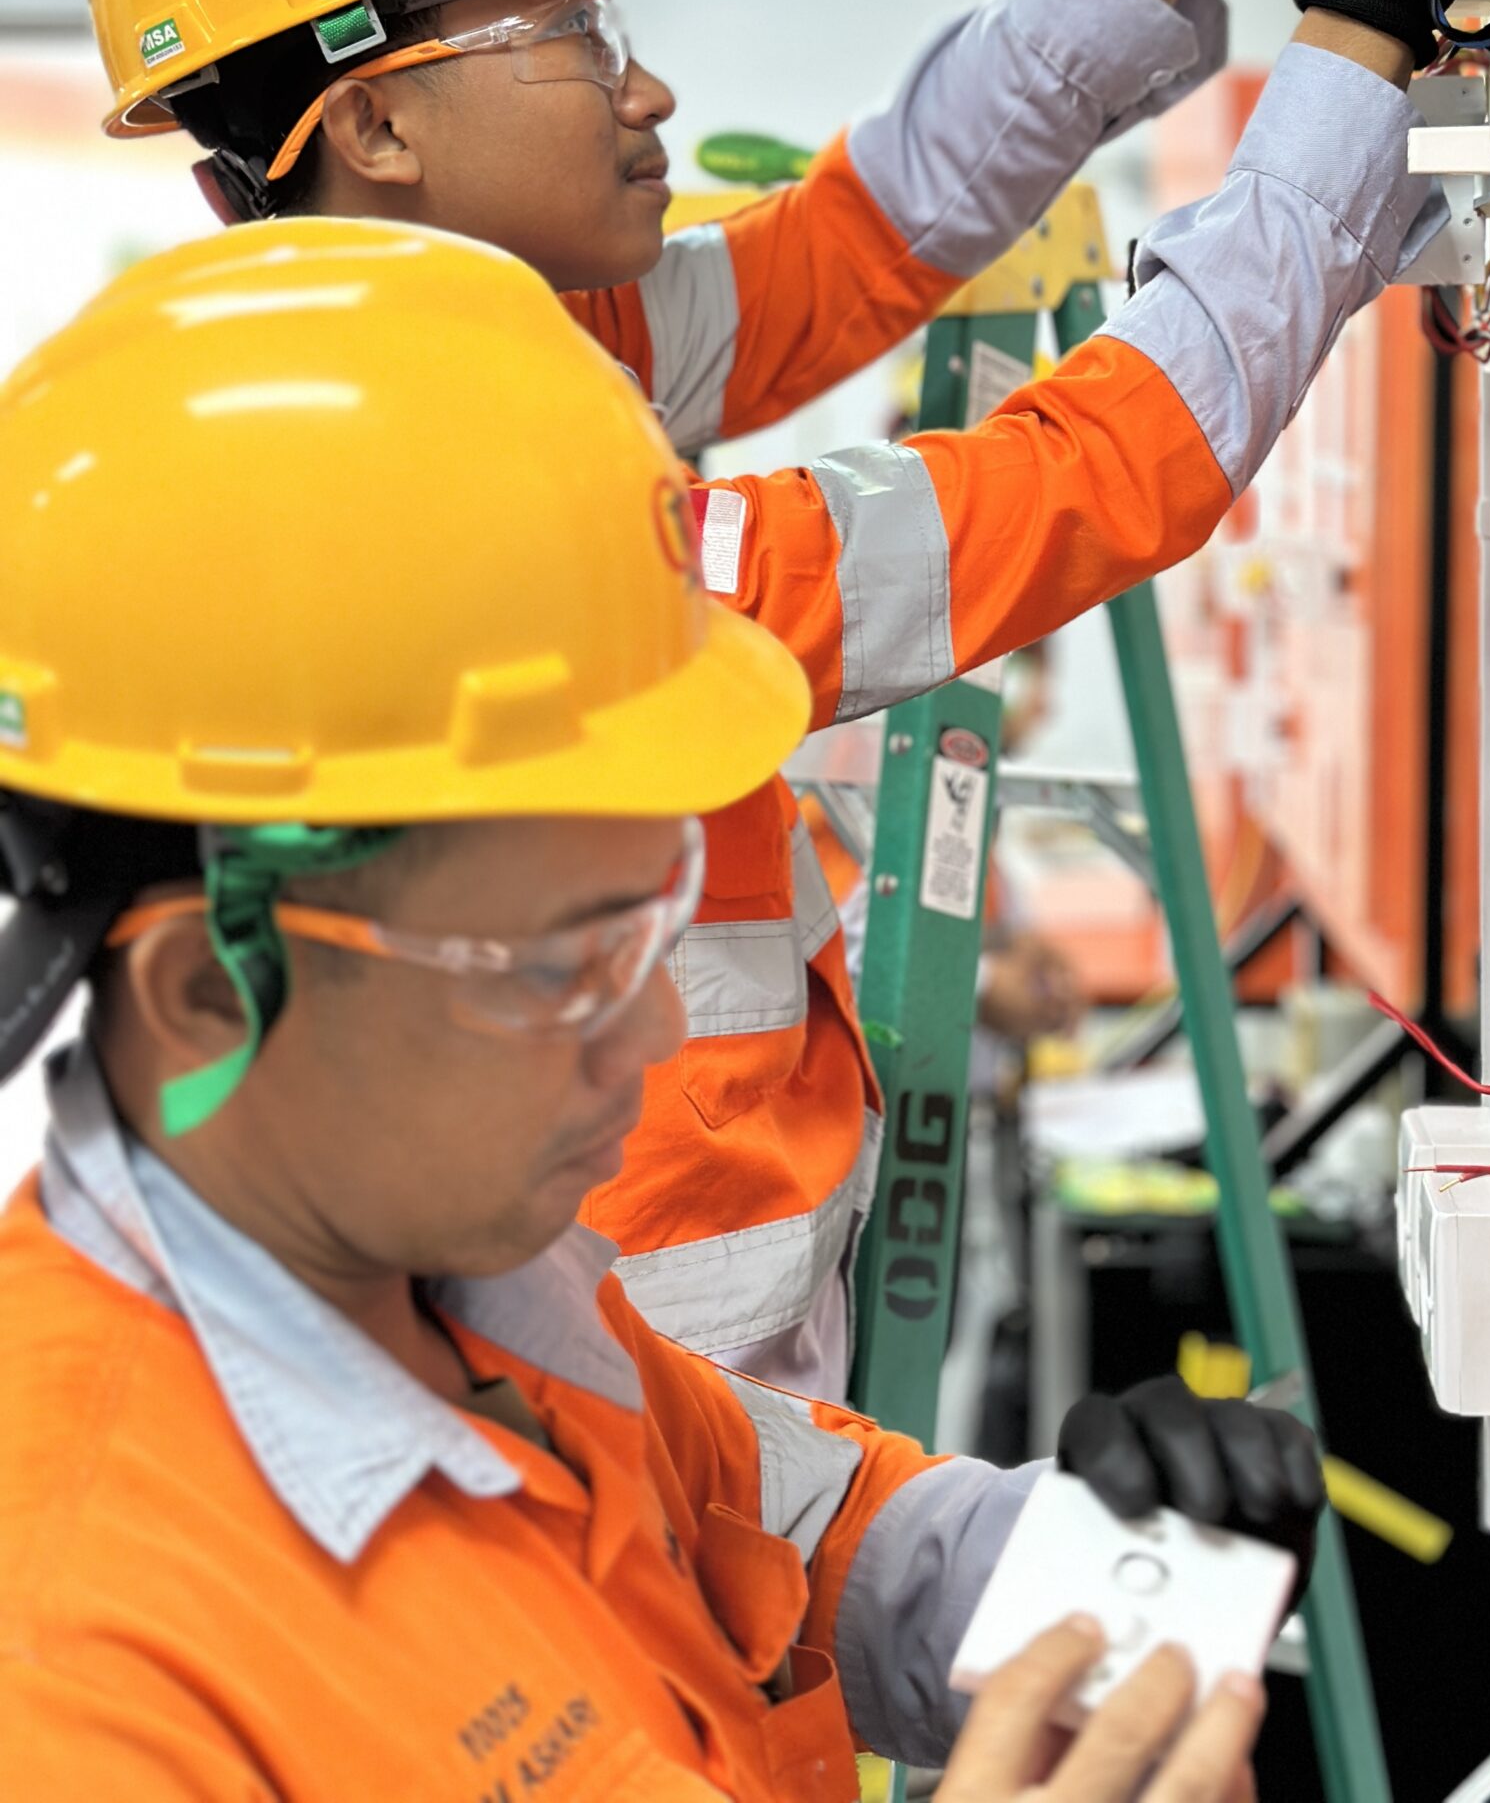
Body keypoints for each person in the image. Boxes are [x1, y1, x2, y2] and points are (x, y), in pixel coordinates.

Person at [88, 0, 1490, 1395]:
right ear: (376, 128)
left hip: (685, 1325)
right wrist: (1354, 30)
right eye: (575, 28)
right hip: (648, 1381)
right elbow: (1105, 471)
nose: (648, 84)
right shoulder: (451, 525)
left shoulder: (495, 348)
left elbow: (866, 232)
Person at [0, 218, 1326, 1799]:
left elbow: (812, 1534)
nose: (647, 1047)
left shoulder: (497, 1300)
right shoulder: (80, 1673)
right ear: (213, 989)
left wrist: (1091, 1570)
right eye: (566, 964)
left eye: (656, 930)